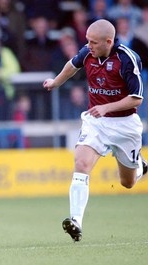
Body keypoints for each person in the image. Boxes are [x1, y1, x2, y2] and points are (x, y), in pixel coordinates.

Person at [43, 19, 148, 242]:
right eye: (87, 41)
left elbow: (137, 99)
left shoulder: (127, 59)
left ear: (108, 41)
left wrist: (107, 107)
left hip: (125, 125)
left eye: (93, 42)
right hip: (96, 122)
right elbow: (72, 65)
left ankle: (140, 165)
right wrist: (56, 82)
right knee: (81, 164)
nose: (88, 46)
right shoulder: (87, 52)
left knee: (127, 182)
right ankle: (76, 222)